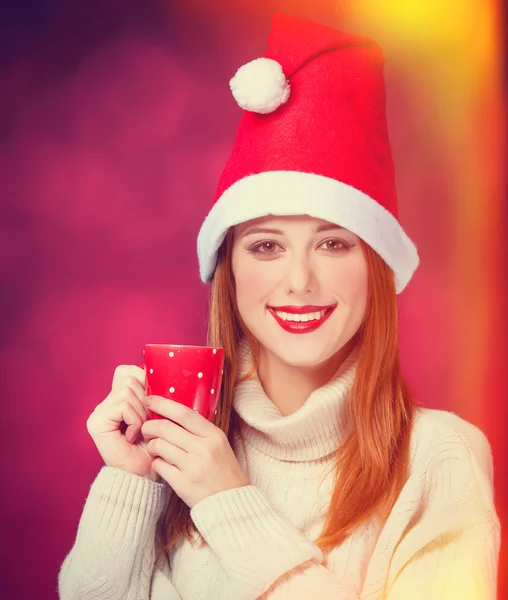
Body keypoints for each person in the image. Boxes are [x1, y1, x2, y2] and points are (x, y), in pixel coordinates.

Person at [58, 12, 500, 600]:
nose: (299, 281)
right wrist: (130, 481)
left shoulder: (440, 458)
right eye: (266, 246)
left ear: (374, 267)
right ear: (229, 269)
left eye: (333, 243)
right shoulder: (177, 444)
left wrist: (229, 502)